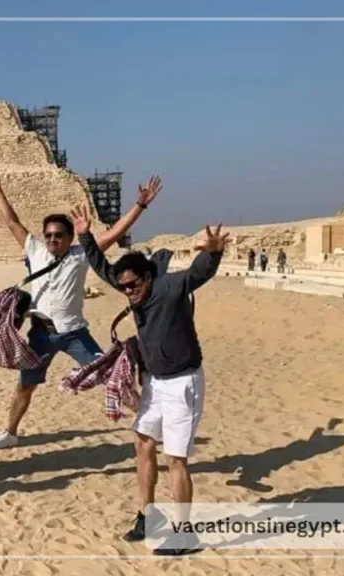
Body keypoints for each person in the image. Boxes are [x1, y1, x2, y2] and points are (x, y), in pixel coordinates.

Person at [72, 206, 226, 556]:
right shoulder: (129, 285)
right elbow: (100, 266)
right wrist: (84, 235)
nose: (128, 292)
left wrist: (214, 253)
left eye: (133, 285)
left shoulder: (169, 287)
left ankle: (185, 533)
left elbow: (196, 275)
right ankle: (148, 515)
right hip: (154, 383)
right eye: (123, 287)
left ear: (149, 277)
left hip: (182, 383)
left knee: (176, 459)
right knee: (142, 443)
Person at [0, 167, 160, 449]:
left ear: (69, 237)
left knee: (110, 373)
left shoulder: (80, 256)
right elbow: (12, 222)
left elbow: (116, 232)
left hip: (75, 334)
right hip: (41, 334)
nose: (53, 240)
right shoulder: (36, 251)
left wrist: (140, 205)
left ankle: (148, 423)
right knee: (25, 385)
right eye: (49, 235)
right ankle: (11, 432)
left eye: (59, 235)